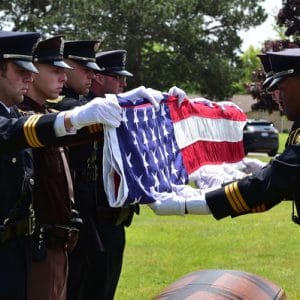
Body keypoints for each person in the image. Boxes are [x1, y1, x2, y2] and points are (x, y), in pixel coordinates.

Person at [0, 31, 123, 300]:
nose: (28, 77)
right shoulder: (14, 119)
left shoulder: (12, 112)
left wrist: (128, 107)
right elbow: (11, 132)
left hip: (20, 249)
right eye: (20, 69)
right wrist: (71, 119)